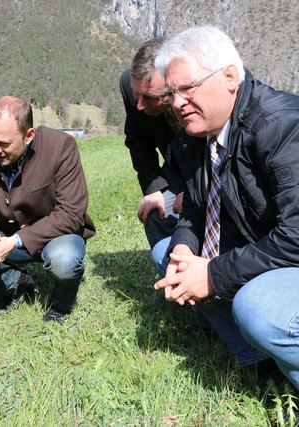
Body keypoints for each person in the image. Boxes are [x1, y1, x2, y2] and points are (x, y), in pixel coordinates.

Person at [152, 25, 299, 389]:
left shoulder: (281, 126)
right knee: (167, 255)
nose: (177, 103)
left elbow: (296, 235)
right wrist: (184, 249)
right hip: (267, 244)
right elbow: (195, 207)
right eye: (171, 93)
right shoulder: (196, 137)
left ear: (230, 77)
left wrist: (214, 275)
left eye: (188, 88)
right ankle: (261, 362)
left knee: (258, 308)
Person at [0, 95, 96, 322]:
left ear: (29, 135)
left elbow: (71, 213)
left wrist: (15, 241)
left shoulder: (61, 146)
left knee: (64, 260)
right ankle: (15, 282)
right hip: (7, 233)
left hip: (56, 235)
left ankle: (61, 304)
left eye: (4, 143)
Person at [120, 37, 184, 269]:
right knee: (156, 212)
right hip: (176, 170)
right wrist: (154, 188)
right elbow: (138, 140)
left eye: (148, 97)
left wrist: (196, 193)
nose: (139, 104)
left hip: (213, 172)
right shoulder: (133, 89)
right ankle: (172, 276)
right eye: (137, 94)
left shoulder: (200, 92)